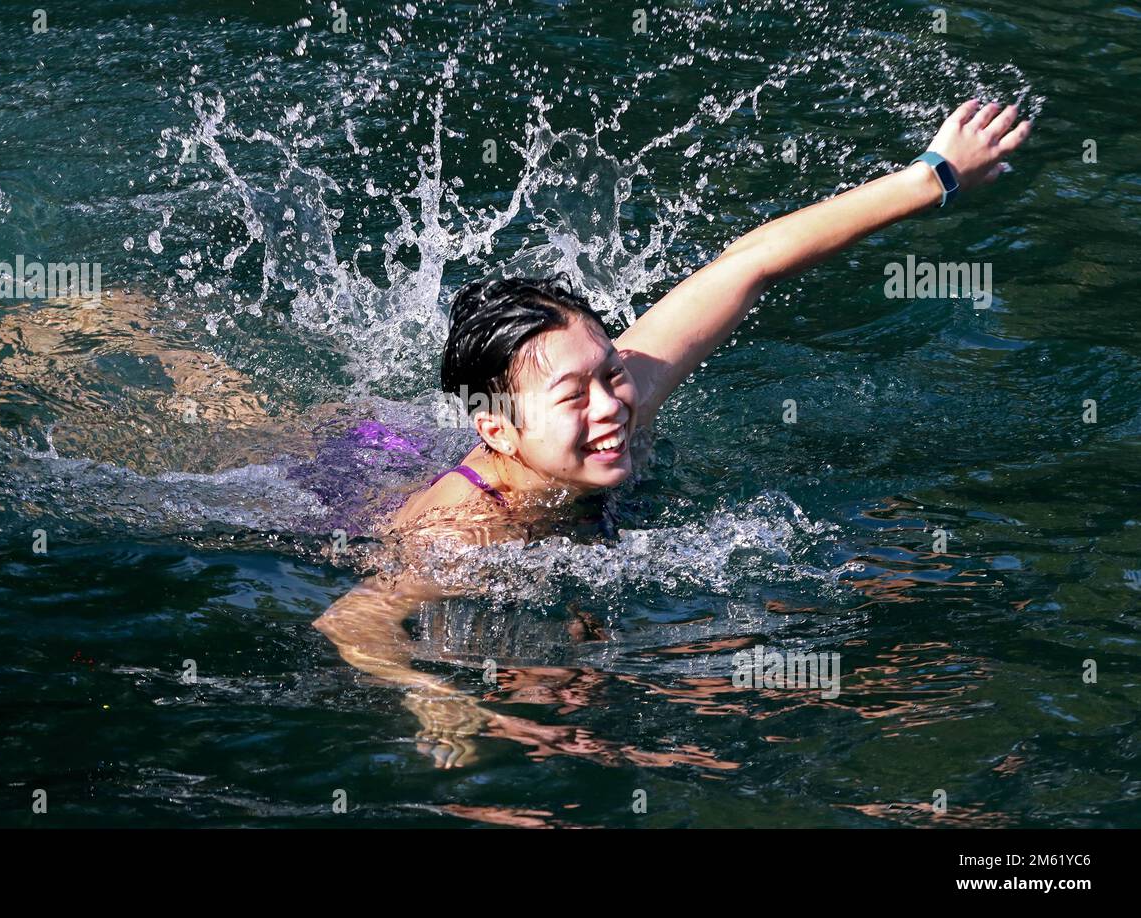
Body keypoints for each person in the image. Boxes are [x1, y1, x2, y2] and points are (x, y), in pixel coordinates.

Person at [312, 100, 1033, 767]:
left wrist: (933, 176)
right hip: (342, 484)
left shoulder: (624, 392)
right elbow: (350, 623)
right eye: (573, 396)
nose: (611, 408)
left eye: (612, 373)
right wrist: (435, 698)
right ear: (499, 431)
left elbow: (749, 265)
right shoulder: (464, 531)